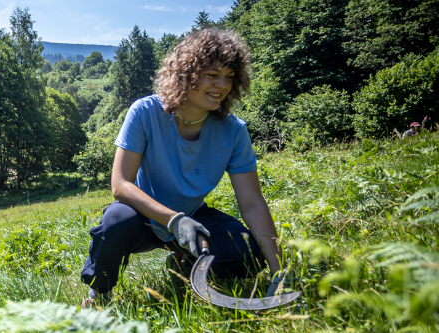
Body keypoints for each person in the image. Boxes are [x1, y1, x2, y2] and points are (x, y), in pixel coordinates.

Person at [80, 28, 289, 306]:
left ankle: (182, 264)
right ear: (186, 74)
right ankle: (99, 294)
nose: (222, 85)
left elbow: (252, 204)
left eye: (229, 77)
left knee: (247, 251)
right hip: (141, 212)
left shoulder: (234, 131)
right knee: (113, 224)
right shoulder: (144, 112)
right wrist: (174, 221)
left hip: (194, 217)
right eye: (212, 75)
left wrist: (281, 274)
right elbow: (120, 185)